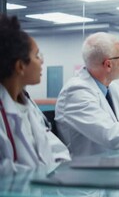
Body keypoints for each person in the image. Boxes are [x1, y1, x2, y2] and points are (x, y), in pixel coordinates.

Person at [0, 15, 70, 173]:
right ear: (20, 66)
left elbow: (55, 150)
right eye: (37, 56)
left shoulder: (27, 106)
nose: (42, 61)